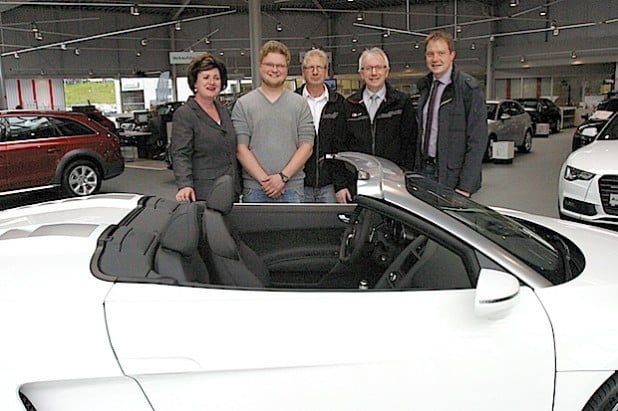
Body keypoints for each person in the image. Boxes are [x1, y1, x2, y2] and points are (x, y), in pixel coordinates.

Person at [232, 40, 314, 203]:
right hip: (255, 190)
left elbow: (307, 146)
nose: (275, 70)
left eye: (280, 66)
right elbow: (241, 148)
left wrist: (283, 178)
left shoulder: (300, 104)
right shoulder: (243, 104)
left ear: (287, 69)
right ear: (260, 66)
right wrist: (266, 181)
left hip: (292, 189)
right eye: (270, 64)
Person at [336, 47, 417, 204]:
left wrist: (405, 180)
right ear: (361, 73)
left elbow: (410, 146)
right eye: (368, 68)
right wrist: (341, 185)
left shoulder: (401, 103)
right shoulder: (348, 105)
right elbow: (339, 148)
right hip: (357, 185)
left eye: (378, 67)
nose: (374, 73)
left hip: (394, 185)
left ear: (386, 71)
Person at [415, 30, 487, 197]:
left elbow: (477, 140)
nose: (435, 59)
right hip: (425, 172)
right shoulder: (424, 88)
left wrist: (465, 185)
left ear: (452, 55)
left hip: (452, 178)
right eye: (430, 54)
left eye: (441, 53)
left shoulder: (468, 89)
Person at [171, 53, 238, 202]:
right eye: (206, 77)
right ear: (195, 83)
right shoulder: (185, 114)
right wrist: (184, 185)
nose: (212, 82)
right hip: (203, 193)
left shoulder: (225, 112)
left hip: (230, 190)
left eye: (216, 78)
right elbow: (180, 154)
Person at [295, 48, 347, 203]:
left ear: (327, 72)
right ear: (303, 72)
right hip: (298, 184)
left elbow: (343, 147)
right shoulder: (292, 102)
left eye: (320, 67)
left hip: (330, 186)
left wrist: (341, 185)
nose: (315, 72)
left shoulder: (339, 103)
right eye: (310, 68)